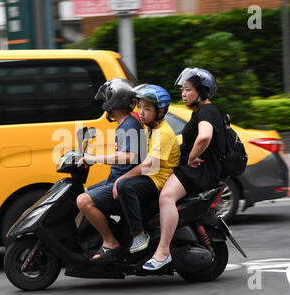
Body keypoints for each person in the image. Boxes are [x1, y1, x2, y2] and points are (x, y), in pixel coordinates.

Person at [142, 68, 225, 271]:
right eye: (182, 90)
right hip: (197, 168)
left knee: (166, 198)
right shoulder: (201, 111)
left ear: (202, 91)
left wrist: (192, 157)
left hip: (198, 171)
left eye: (188, 90)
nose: (184, 94)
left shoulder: (206, 111)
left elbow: (204, 136)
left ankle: (162, 252)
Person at [76, 78, 145, 261]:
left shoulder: (130, 124)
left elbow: (129, 156)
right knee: (82, 192)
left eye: (106, 97)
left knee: (84, 202)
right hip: (117, 178)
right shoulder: (124, 124)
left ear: (114, 100)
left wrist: (95, 159)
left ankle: (110, 241)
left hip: (124, 182)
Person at [113, 84, 180, 255]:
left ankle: (139, 235)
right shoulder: (151, 129)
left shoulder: (162, 132)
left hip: (159, 179)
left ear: (160, 111)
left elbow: (149, 164)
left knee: (124, 186)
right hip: (152, 175)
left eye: (147, 108)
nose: (141, 112)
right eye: (140, 107)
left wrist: (122, 179)